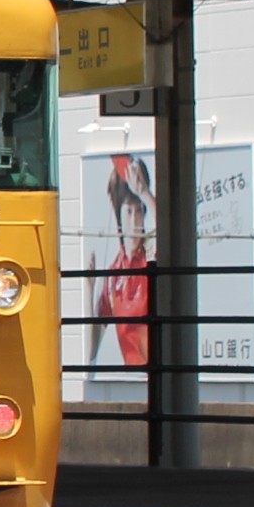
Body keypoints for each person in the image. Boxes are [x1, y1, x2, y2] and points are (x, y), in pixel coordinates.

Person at [94, 155, 153, 372]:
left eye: (140, 210)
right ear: (118, 215)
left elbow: (169, 229)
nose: (135, 220)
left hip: (158, 372)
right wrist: (89, 289)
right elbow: (91, 352)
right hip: (132, 377)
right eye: (128, 211)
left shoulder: (151, 256)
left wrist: (144, 192)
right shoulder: (113, 276)